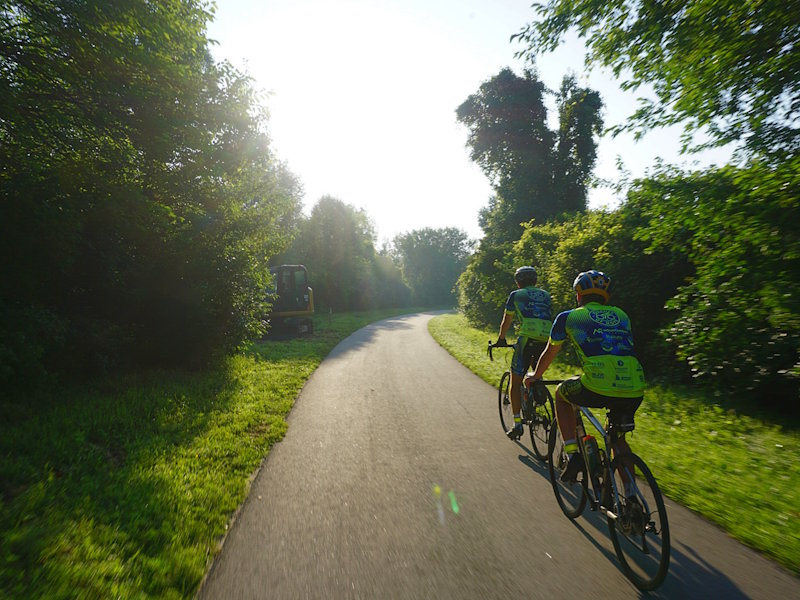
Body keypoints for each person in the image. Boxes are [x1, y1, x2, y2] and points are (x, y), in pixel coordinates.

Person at [526, 270, 644, 489]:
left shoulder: (569, 317)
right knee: (617, 439)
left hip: (596, 386)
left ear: (578, 295)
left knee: (561, 395)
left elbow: (550, 352)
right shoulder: (622, 315)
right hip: (635, 387)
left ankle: (572, 455)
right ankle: (631, 496)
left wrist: (535, 375)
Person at [496, 266, 552, 440]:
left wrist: (501, 339)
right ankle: (537, 390)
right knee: (536, 371)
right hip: (547, 338)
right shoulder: (546, 295)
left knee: (515, 380)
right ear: (535, 280)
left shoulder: (516, 295)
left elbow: (507, 319)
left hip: (527, 338)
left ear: (518, 282)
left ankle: (517, 424)